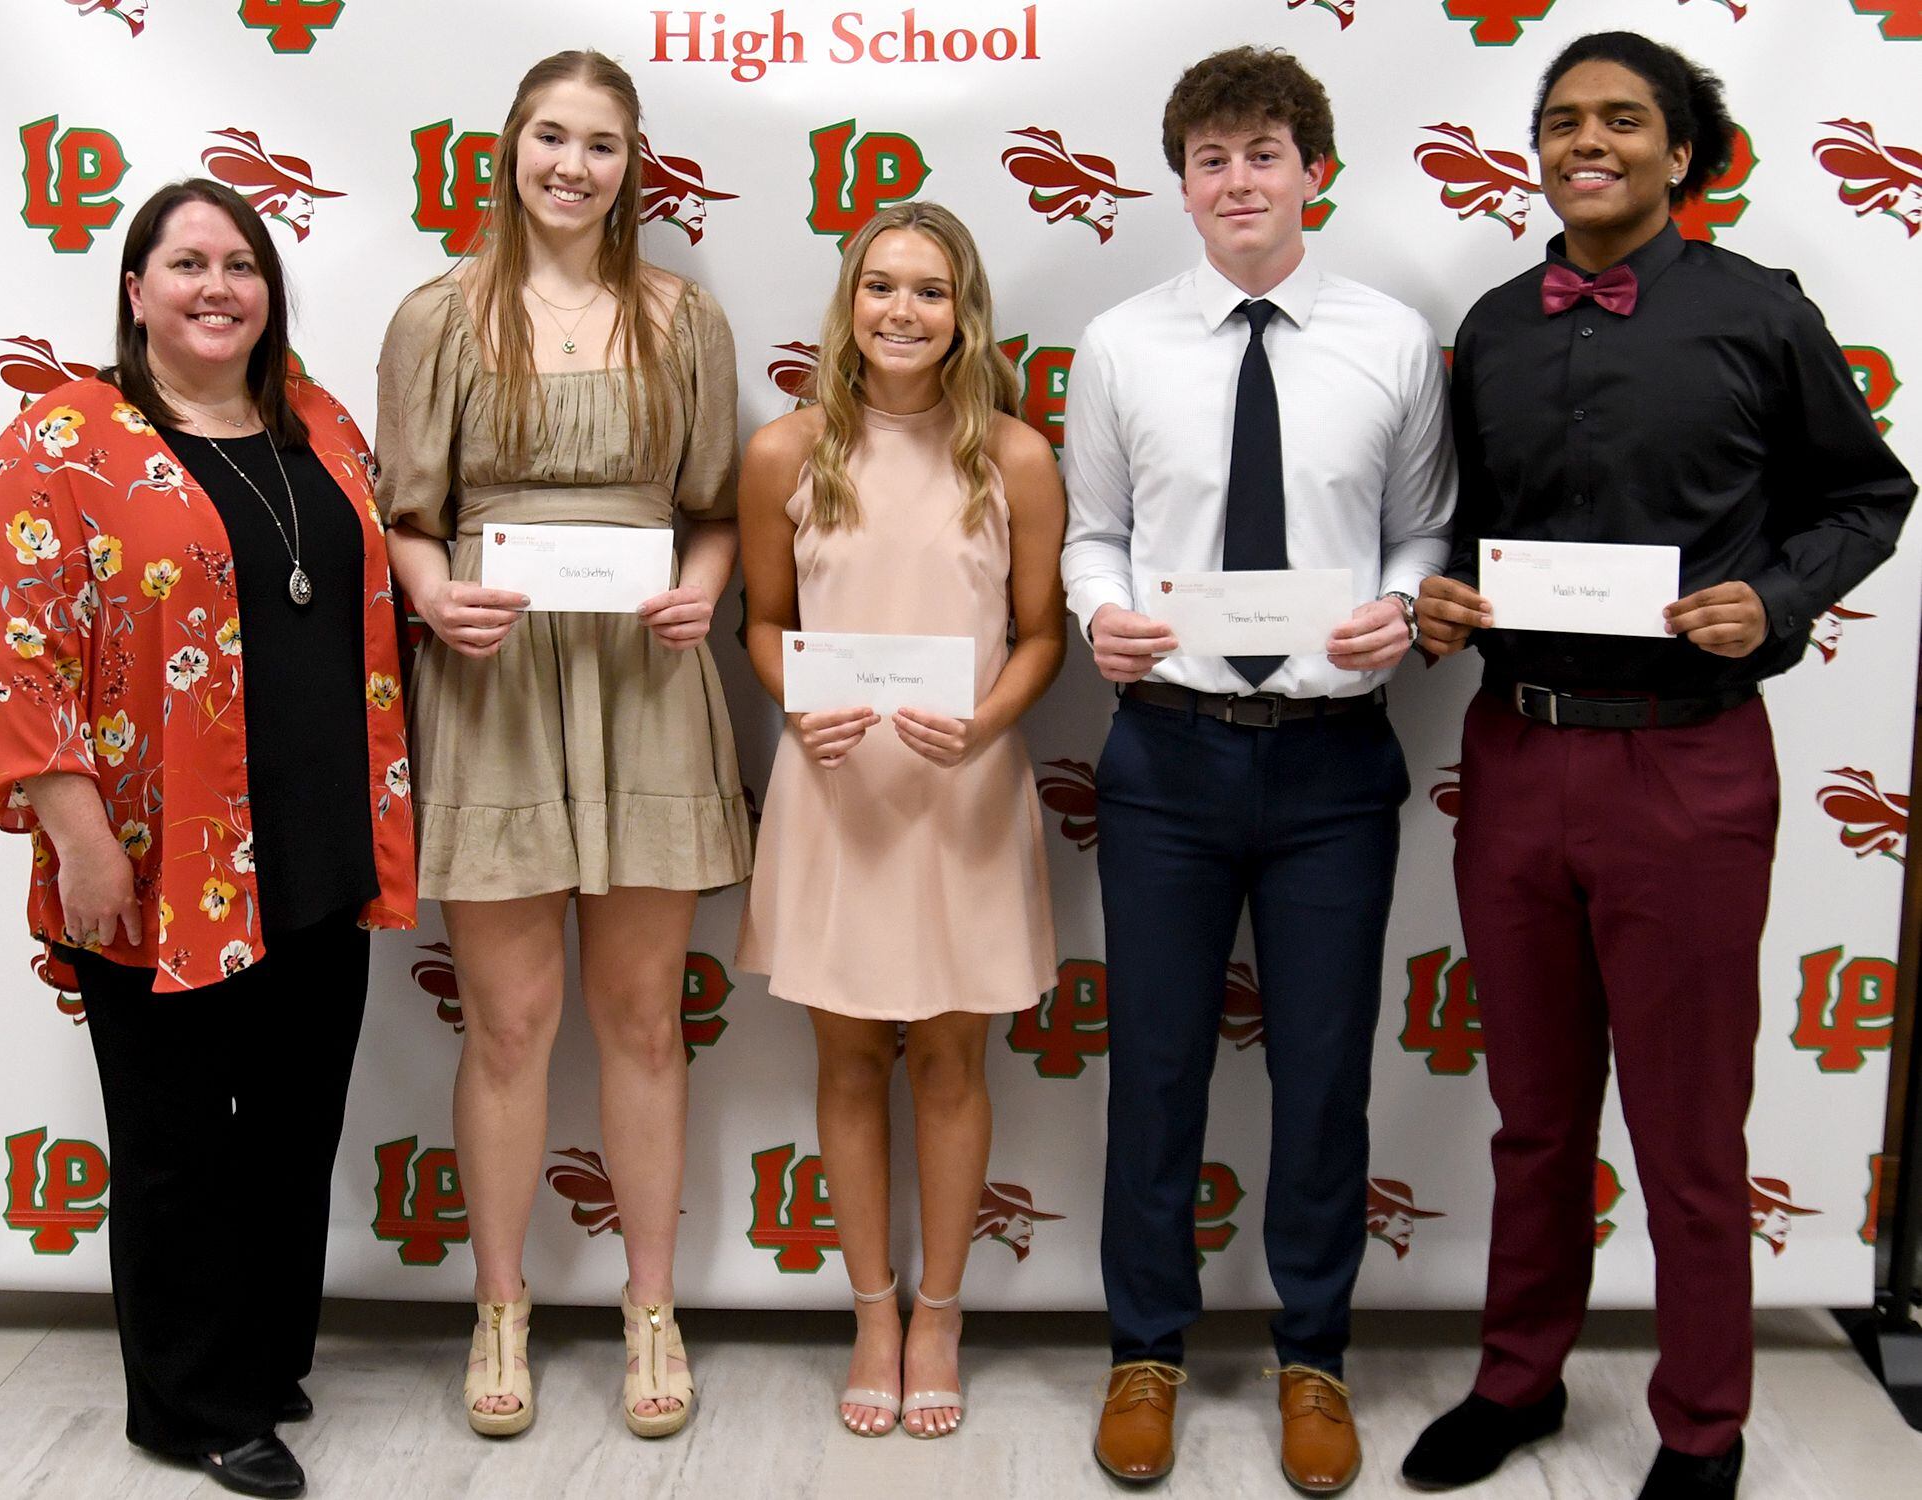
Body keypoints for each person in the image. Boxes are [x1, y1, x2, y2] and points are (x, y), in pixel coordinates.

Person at [1400, 33, 1915, 1500]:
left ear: (1682, 151)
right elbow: (1463, 527)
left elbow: (1869, 492)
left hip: (1690, 768)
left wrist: (1784, 598)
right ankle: (1519, 1379)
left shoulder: (1758, 314)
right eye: (1562, 120)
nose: (1588, 141)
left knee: (1690, 1126)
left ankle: (1703, 1423)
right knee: (1534, 1114)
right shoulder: (1493, 327)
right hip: (1514, 755)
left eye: (1624, 119)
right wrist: (1440, 591)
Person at [0, 178, 417, 1500]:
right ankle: (186, 1406)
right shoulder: (61, 441)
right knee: (177, 1145)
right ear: (135, 288)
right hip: (157, 856)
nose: (217, 287)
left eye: (241, 264)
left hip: (322, 837)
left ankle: (263, 1364)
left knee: (290, 1125)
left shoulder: (318, 422)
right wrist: (80, 839)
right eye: (187, 264)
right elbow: (19, 655)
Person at [1061, 46, 1455, 1492]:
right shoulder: (1121, 343)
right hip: (1165, 755)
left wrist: (1404, 611)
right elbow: (1091, 530)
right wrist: (1095, 611)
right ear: (1182, 183)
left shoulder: (1393, 341)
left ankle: (1313, 1357)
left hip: (1334, 763)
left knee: (1327, 1075)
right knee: (1153, 1070)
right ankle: (1145, 1350)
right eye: (1214, 158)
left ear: (1313, 172)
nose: (1240, 180)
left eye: (1265, 154)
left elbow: (1426, 533)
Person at [374, 49, 748, 1441]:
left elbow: (711, 507)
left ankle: (653, 1309)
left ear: (631, 165)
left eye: (600, 143)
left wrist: (705, 586)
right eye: (550, 137)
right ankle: (502, 1304)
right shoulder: (440, 317)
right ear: (511, 149)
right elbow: (409, 514)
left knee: (645, 1020)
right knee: (512, 1024)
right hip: (495, 683)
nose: (572, 166)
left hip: (646, 682)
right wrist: (429, 595)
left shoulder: (683, 319)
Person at [737, 202, 1065, 1440]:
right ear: (849, 303)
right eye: (882, 287)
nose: (903, 312)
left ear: (964, 311)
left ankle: (941, 1310)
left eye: (930, 291)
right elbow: (763, 626)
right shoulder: (786, 453)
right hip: (837, 793)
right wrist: (797, 699)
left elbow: (1043, 636)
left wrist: (983, 724)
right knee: (845, 1060)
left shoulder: (1016, 459)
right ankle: (870, 1308)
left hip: (964, 793)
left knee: (947, 1060)